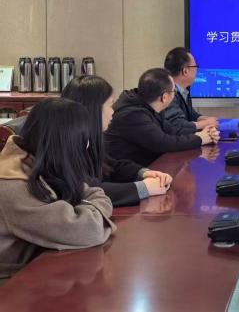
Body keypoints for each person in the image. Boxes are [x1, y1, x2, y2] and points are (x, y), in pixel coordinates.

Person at [0, 99, 115, 281]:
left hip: (34, 270)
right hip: (12, 285)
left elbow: (91, 191)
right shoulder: (14, 185)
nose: (87, 145)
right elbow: (88, 230)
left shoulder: (36, 161)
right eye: (83, 139)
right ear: (66, 141)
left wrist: (90, 206)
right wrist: (93, 210)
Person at [62, 75, 173, 207]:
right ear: (94, 109)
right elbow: (87, 191)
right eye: (110, 105)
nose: (113, 111)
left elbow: (111, 166)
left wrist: (144, 173)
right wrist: (144, 188)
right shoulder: (66, 146)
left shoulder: (89, 138)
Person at [105, 68, 219, 167]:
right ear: (164, 97)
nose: (175, 95)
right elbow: (164, 143)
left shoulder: (148, 105)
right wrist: (200, 138)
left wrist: (205, 133)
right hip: (127, 174)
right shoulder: (133, 114)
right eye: (174, 92)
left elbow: (172, 129)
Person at [163, 47, 219, 134]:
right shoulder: (168, 93)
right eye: (195, 67)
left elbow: (191, 115)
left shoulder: (182, 90)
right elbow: (177, 125)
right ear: (185, 71)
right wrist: (205, 123)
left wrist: (206, 120)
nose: (197, 71)